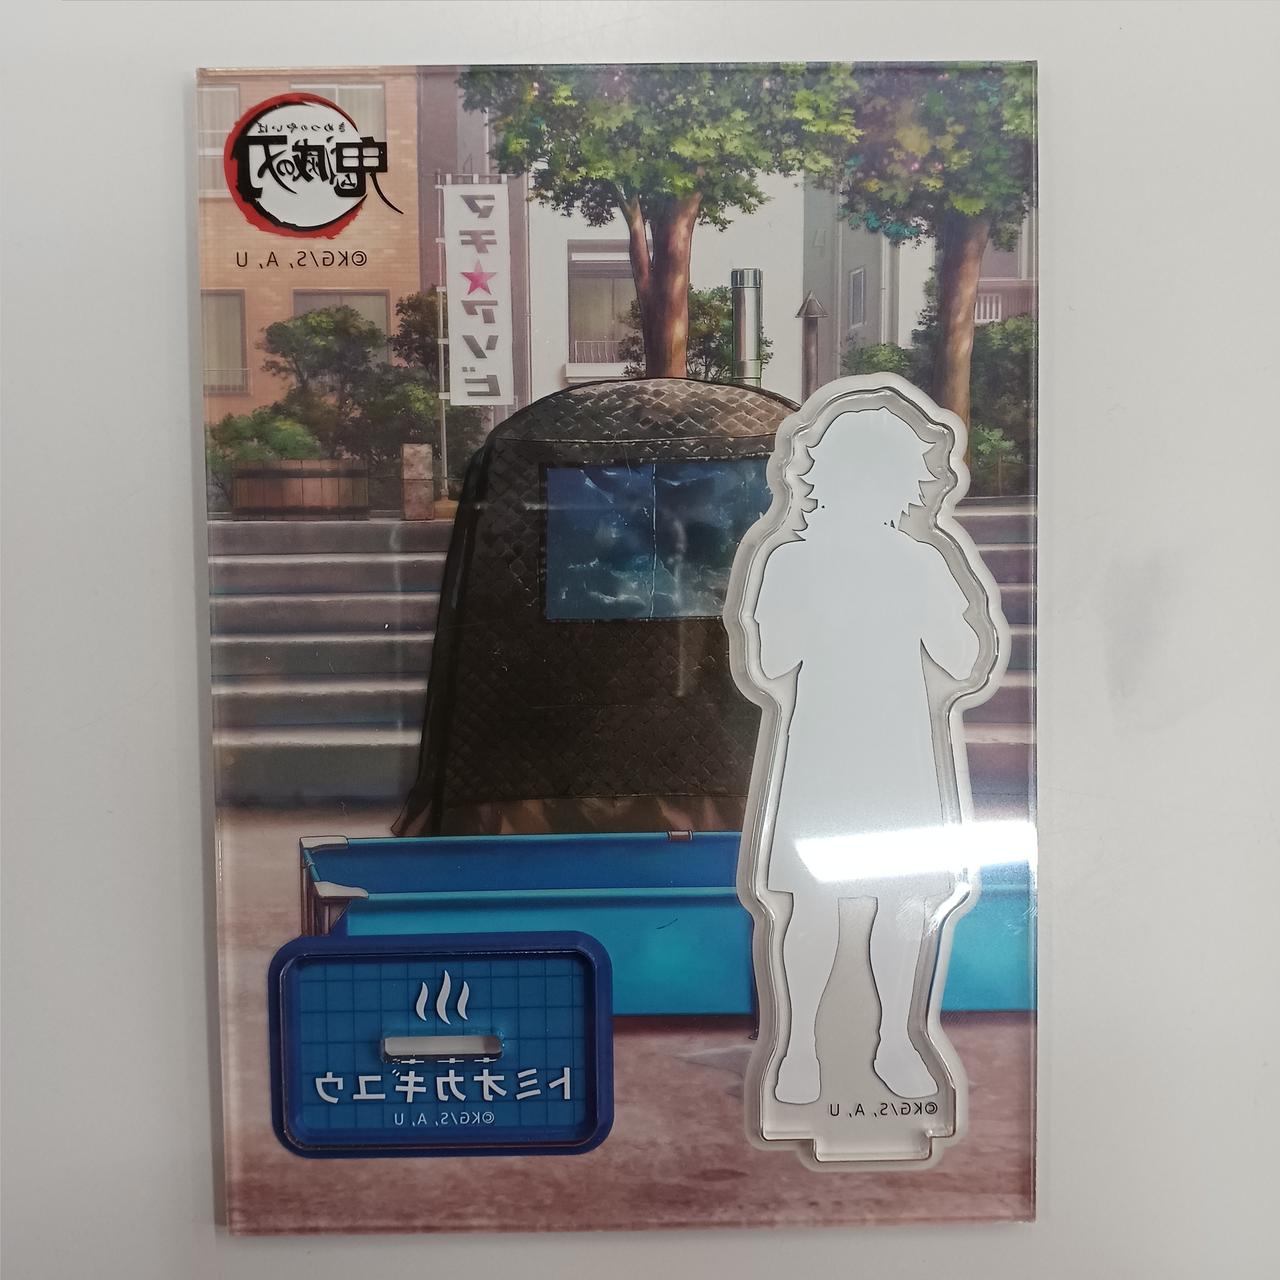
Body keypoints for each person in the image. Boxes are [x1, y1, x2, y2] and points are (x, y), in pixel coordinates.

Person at [747, 406, 990, 1103]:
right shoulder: (814, 561)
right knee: (848, 903)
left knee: (865, 902)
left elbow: (962, 660)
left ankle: (848, 1047)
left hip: (870, 748)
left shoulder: (893, 561)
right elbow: (771, 662)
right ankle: (818, 1047)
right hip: (850, 748)